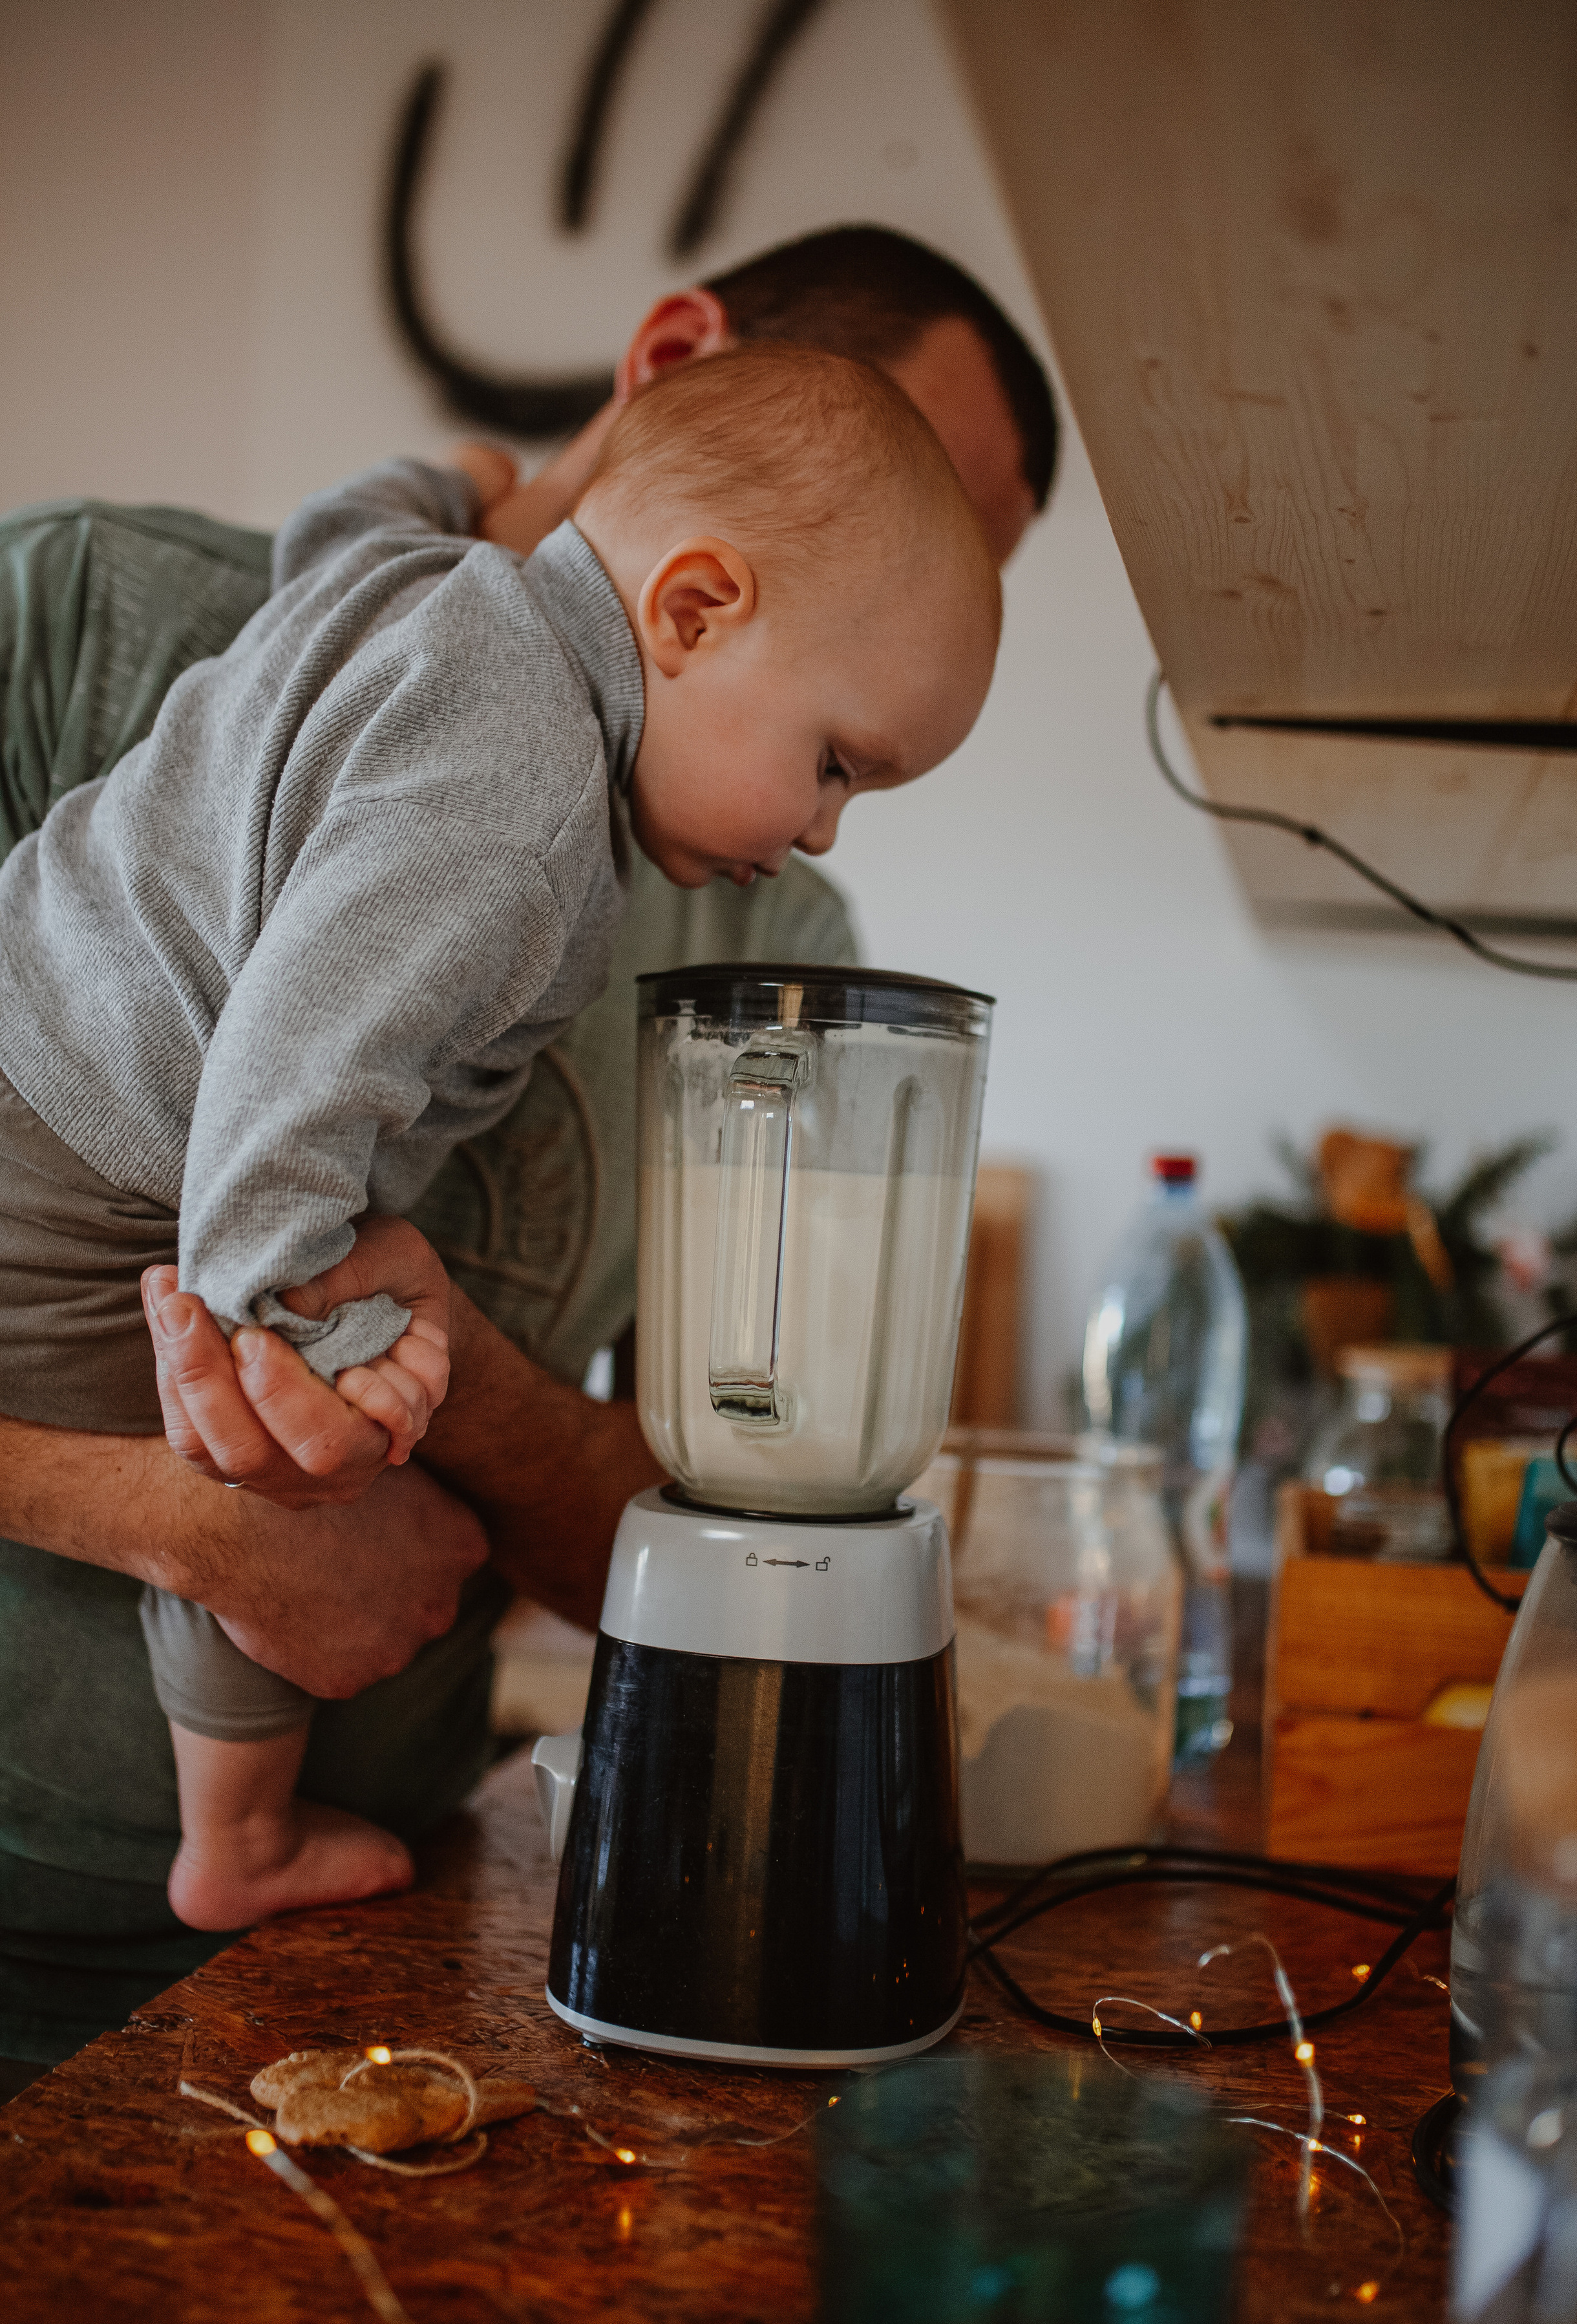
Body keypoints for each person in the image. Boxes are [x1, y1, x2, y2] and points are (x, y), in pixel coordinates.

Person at [0, 223, 1057, 2077]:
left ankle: (239, 1837)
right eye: (835, 754)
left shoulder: (414, 606)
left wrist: (465, 1385)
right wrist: (229, 1472)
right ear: (704, 583)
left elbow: (691, 1510)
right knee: (273, 1484)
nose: (821, 831)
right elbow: (286, 1086)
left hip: (365, 1933)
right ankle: (227, 1831)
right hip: (29, 1883)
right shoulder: (105, 619)